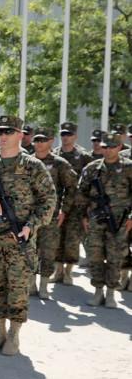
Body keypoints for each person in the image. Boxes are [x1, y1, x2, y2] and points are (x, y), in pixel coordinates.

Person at [0, 115, 55, 356]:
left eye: (8, 132)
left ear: (20, 134)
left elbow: (48, 200)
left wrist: (31, 226)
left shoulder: (32, 166)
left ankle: (14, 334)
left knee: (17, 288)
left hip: (20, 240)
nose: (3, 137)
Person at [77, 132, 132, 308]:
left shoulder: (128, 167)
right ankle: (98, 291)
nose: (107, 150)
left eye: (112, 147)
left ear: (119, 147)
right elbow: (81, 194)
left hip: (119, 220)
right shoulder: (92, 168)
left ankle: (110, 293)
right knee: (95, 256)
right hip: (95, 220)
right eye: (105, 147)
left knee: (115, 256)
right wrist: (84, 216)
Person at [31, 127, 78, 299]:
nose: (39, 143)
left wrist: (64, 210)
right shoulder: (26, 162)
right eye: (37, 140)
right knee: (29, 250)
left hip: (51, 215)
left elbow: (72, 187)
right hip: (29, 215)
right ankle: (31, 285)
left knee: (48, 251)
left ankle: (44, 285)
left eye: (43, 140)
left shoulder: (59, 163)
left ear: (51, 141)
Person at [52, 121, 93, 284]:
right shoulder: (54, 155)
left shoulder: (83, 156)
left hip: (76, 205)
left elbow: (90, 182)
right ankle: (58, 271)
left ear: (75, 136)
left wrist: (88, 208)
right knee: (56, 237)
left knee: (72, 239)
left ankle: (68, 272)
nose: (65, 137)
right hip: (58, 204)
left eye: (69, 134)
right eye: (63, 134)